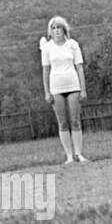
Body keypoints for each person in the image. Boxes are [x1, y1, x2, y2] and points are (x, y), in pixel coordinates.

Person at [41, 17, 87, 164]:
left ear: (64, 29)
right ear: (50, 31)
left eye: (58, 28)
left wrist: (83, 89)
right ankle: (69, 156)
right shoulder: (47, 48)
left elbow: (79, 67)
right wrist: (47, 92)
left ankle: (78, 153)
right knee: (62, 123)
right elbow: (46, 70)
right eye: (53, 28)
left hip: (73, 85)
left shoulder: (72, 45)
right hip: (56, 87)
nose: (56, 31)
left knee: (75, 121)